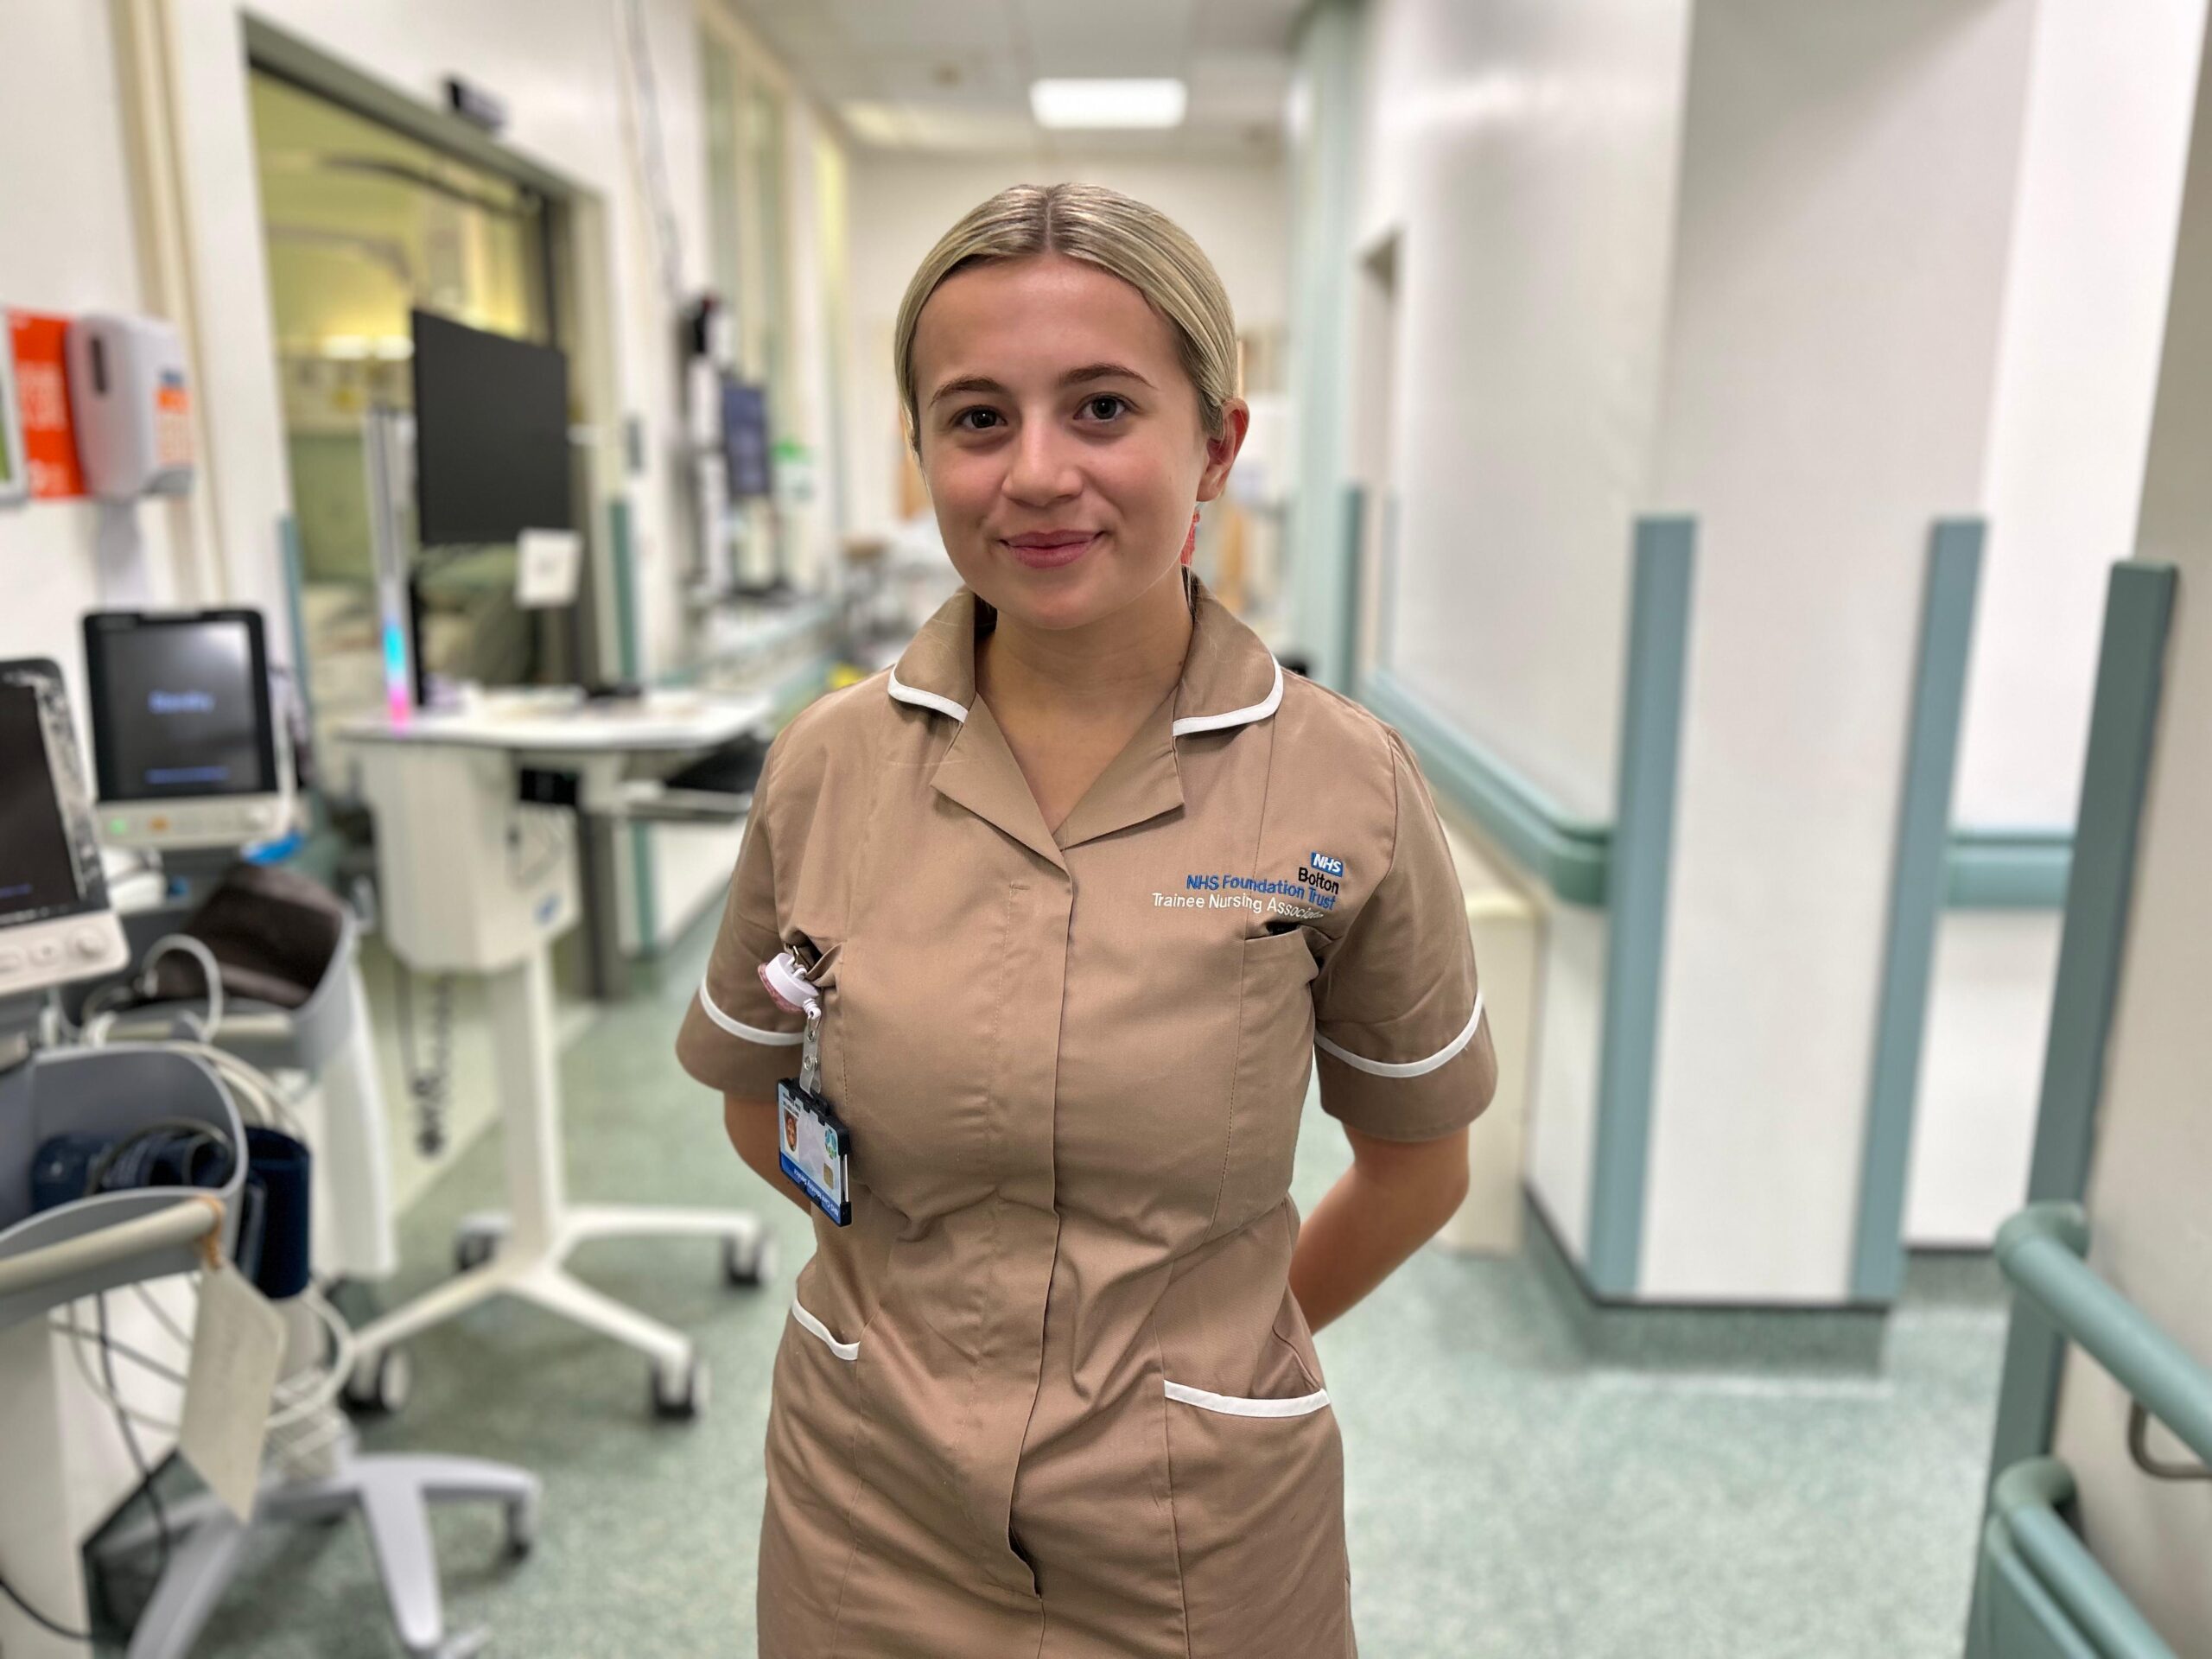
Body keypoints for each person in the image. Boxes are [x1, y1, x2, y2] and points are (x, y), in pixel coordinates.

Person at [676, 182, 1497, 1659]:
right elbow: (756, 1103)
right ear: (922, 448)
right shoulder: (828, 764)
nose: (1036, 474)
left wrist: (1213, 1365)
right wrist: (920, 1298)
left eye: (1104, 408)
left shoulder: (1341, 785)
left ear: (1216, 444)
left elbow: (1417, 1166)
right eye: (977, 419)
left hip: (1201, 1528)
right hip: (866, 1506)